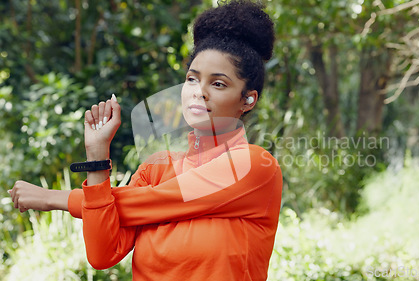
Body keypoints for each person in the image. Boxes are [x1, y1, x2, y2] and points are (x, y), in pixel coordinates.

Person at [8, 1, 282, 280]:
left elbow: (152, 201)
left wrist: (54, 198)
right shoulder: (155, 169)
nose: (199, 92)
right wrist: (97, 154)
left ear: (248, 99)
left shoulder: (254, 165)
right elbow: (103, 254)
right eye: (191, 79)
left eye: (218, 83)